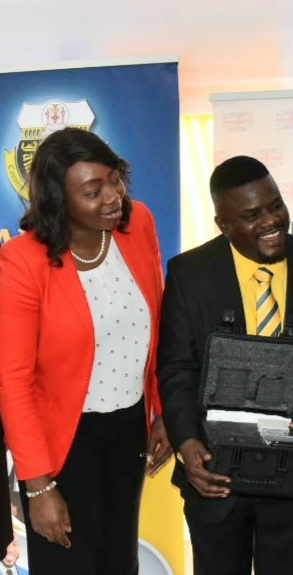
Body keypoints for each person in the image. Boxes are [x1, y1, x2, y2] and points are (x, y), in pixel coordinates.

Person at [0, 127, 172, 574]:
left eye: (115, 181)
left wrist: (163, 411)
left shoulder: (139, 226)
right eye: (93, 192)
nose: (113, 197)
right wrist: (38, 489)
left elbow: (159, 326)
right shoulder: (22, 261)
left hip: (127, 431)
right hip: (63, 445)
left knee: (119, 561)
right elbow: (13, 382)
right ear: (59, 200)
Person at [157, 156, 293, 575]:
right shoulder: (189, 273)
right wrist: (186, 443)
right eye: (252, 215)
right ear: (223, 224)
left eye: (276, 206)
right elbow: (177, 368)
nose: (272, 221)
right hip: (216, 478)